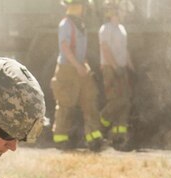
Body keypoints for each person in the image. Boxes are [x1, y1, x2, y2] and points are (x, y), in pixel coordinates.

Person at [50, 0, 104, 152]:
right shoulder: (66, 24)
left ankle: (94, 139)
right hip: (67, 69)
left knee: (90, 100)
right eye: (83, 6)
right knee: (66, 104)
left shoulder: (80, 24)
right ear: (78, 7)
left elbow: (79, 49)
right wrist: (78, 66)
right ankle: (61, 140)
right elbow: (65, 47)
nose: (85, 9)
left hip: (79, 67)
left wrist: (83, 65)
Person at [97, 0, 133, 150]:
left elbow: (125, 50)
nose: (124, 12)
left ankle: (119, 137)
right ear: (114, 12)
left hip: (121, 68)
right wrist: (114, 66)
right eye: (121, 10)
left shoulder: (121, 29)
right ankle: (99, 124)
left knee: (124, 102)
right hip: (110, 69)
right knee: (115, 101)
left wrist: (131, 67)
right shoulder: (105, 29)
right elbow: (105, 49)